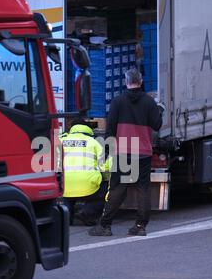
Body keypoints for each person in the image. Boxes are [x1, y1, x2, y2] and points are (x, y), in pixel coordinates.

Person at [89, 68, 164, 237]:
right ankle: (140, 226)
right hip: (143, 152)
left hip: (123, 151)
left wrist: (108, 151)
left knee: (118, 188)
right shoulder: (149, 102)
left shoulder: (118, 102)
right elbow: (157, 125)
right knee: (143, 189)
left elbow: (110, 130)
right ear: (141, 81)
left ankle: (105, 225)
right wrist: (160, 110)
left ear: (126, 81)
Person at [61, 118, 108, 226]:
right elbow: (104, 166)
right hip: (89, 186)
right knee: (105, 189)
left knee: (67, 194)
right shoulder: (94, 142)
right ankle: (87, 213)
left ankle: (67, 217)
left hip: (65, 185)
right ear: (88, 129)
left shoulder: (61, 140)